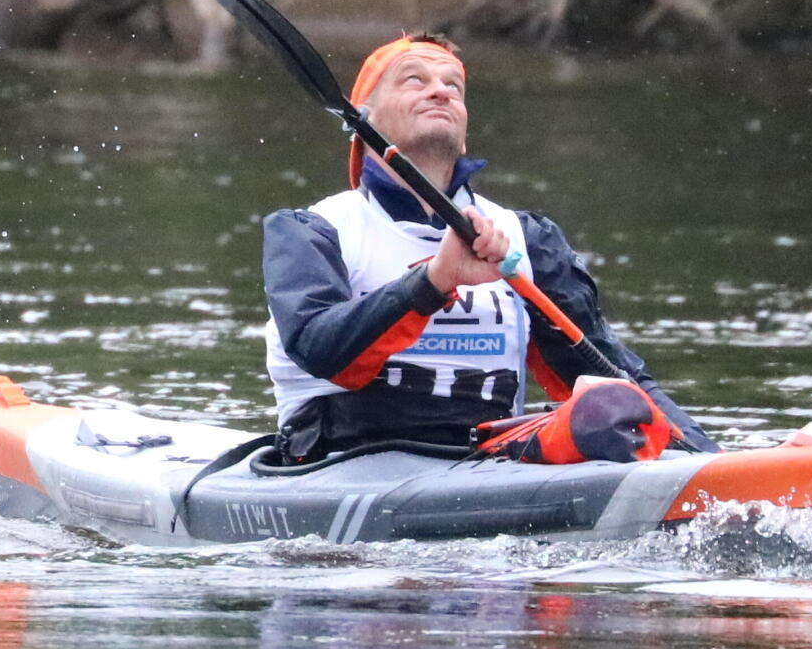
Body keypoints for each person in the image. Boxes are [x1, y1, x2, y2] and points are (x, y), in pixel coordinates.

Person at [261, 33, 713, 463]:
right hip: (340, 458)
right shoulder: (312, 231)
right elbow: (319, 349)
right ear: (365, 121)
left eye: (452, 85)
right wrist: (435, 280)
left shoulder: (525, 238)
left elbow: (616, 376)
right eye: (414, 79)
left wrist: (713, 464)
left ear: (464, 131)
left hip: (486, 459)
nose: (440, 92)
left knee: (606, 408)